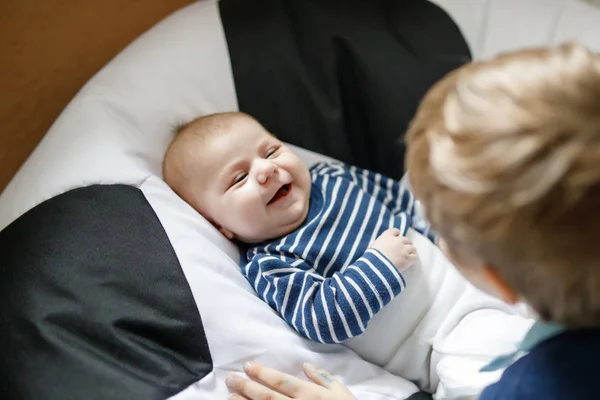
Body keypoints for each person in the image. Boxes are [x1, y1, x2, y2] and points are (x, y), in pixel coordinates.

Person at [223, 43, 600, 400]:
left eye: (272, 150)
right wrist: (380, 263)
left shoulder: (531, 386)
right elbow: (320, 318)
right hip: (442, 338)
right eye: (237, 179)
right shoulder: (270, 262)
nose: (265, 171)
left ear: (503, 280)